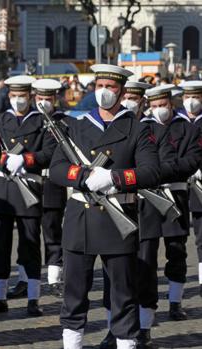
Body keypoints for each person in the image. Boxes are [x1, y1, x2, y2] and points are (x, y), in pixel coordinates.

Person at [50, 64, 160, 349]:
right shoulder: (77, 125)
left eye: (110, 87)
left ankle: (125, 342)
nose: (104, 92)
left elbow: (151, 172)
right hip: (80, 219)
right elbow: (58, 169)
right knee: (74, 294)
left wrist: (114, 178)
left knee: (123, 294)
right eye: (100, 86)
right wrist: (85, 177)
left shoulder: (137, 129)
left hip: (117, 218)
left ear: (122, 92)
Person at [100, 81, 177, 349]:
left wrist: (130, 178)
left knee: (144, 269)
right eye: (127, 97)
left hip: (147, 206)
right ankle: (113, 327)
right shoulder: (113, 127)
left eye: (134, 98)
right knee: (114, 274)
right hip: (117, 207)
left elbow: (162, 166)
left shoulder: (152, 128)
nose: (129, 102)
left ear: (142, 101)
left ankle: (143, 326)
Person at [0, 75, 56, 317]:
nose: (18, 100)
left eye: (22, 96)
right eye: (14, 96)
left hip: (28, 188)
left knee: (30, 245)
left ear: (30, 96)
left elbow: (49, 152)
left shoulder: (42, 121)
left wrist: (26, 159)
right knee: (2, 245)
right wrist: (3, 159)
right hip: (3, 190)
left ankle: (33, 298)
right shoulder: (0, 119)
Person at [145, 84, 202, 321]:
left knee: (176, 251)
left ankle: (175, 302)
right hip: (148, 198)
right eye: (155, 106)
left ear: (171, 103)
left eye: (163, 105)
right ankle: (146, 308)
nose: (160, 110)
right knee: (146, 254)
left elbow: (191, 161)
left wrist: (157, 171)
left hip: (175, 196)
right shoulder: (143, 129)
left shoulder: (186, 129)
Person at [33, 79, 68, 297]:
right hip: (28, 181)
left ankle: (55, 277)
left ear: (55, 99)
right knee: (29, 235)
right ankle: (29, 281)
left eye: (48, 99)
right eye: (40, 99)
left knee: (53, 231)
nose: (44, 103)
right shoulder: (29, 122)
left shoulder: (63, 122)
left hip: (52, 183)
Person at [180, 81, 202, 297]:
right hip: (176, 188)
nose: (192, 100)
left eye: (196, 95)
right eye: (187, 95)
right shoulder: (178, 122)